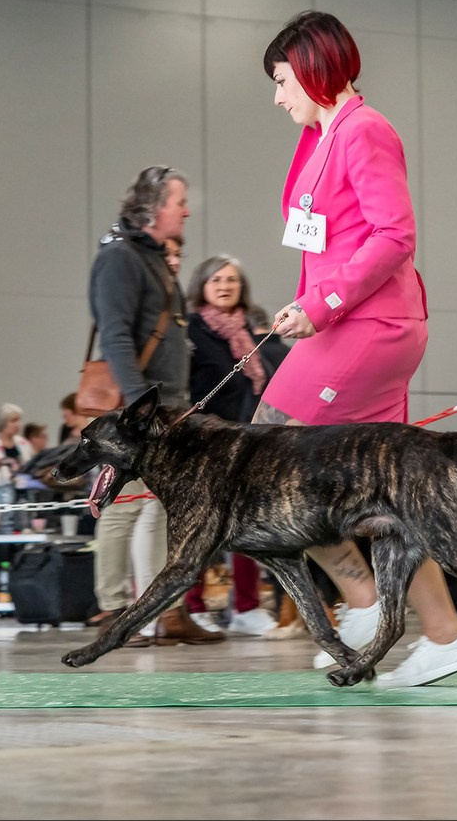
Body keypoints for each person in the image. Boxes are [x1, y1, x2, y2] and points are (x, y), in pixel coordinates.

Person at [252, 11, 457, 687]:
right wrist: (307, 305)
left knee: (267, 458)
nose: (277, 95)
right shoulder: (321, 135)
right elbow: (322, 239)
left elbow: (393, 235)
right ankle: (444, 638)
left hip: (369, 327)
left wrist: (321, 307)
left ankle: (364, 601)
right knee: (378, 490)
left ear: (316, 70)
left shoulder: (364, 130)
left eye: (282, 79)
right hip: (350, 324)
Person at [88, 165, 221, 646]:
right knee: (131, 509)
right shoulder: (121, 258)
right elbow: (117, 336)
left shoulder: (146, 256)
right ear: (153, 208)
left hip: (160, 409)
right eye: (179, 201)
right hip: (141, 414)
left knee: (156, 511)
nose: (186, 210)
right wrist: (137, 412)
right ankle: (134, 614)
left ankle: (157, 613)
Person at [182, 256, 286, 636]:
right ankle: (193, 606)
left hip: (246, 440)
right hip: (202, 443)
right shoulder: (192, 329)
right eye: (216, 280)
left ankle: (246, 605)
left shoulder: (249, 332)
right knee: (197, 530)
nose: (224, 286)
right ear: (202, 286)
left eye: (231, 280)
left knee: (247, 526)